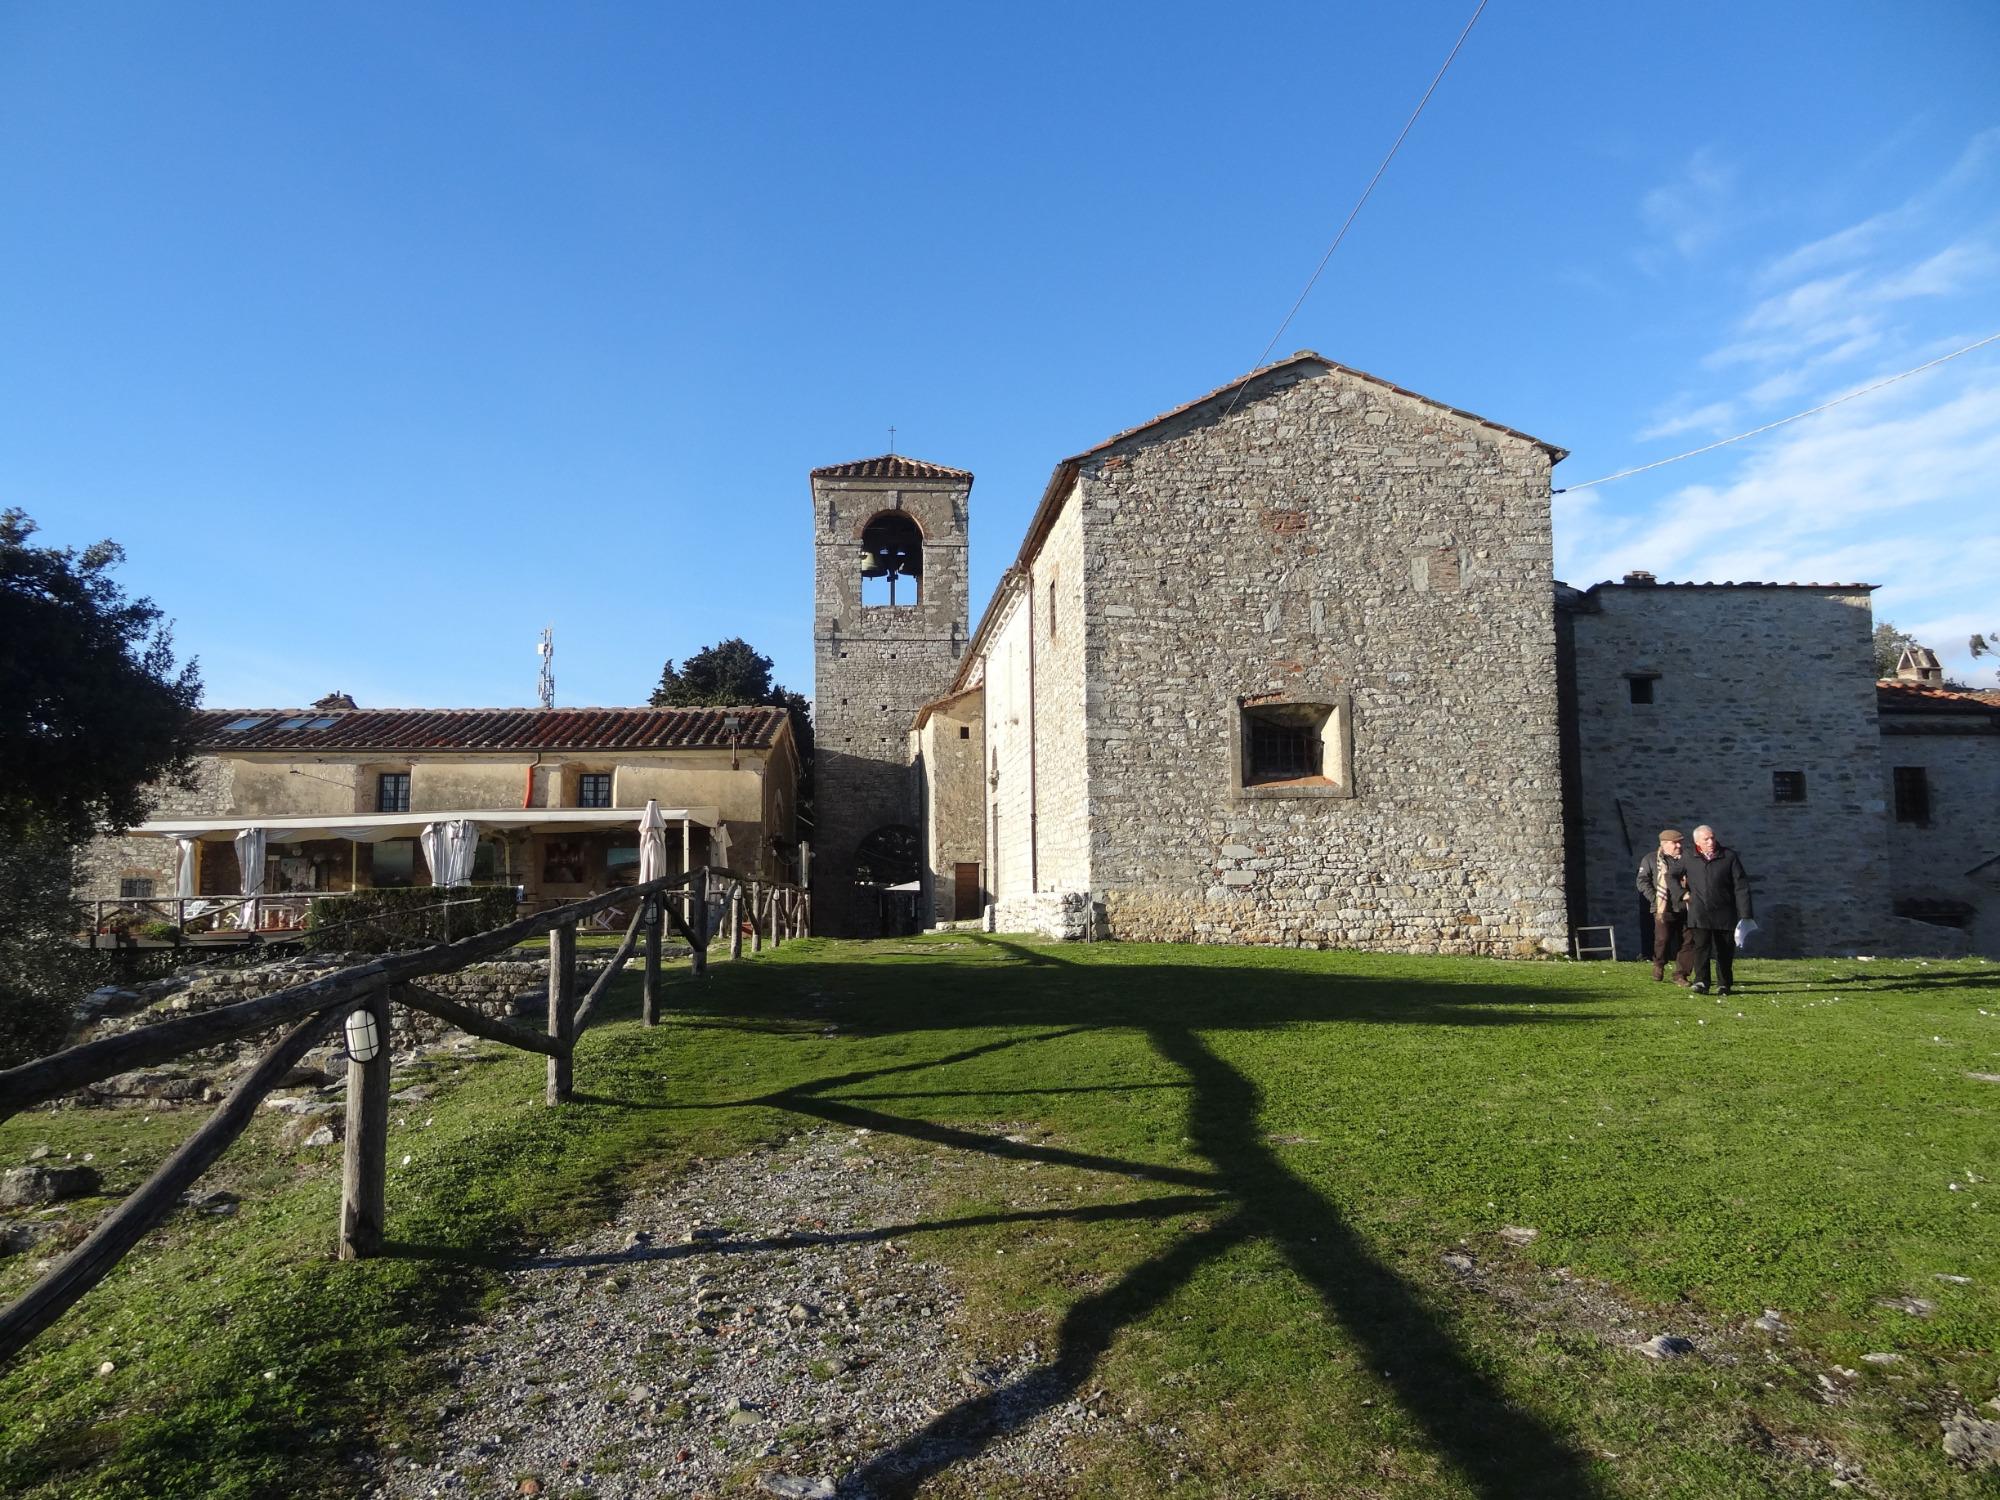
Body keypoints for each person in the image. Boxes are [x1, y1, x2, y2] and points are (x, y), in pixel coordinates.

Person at [1681, 824, 1753, 995]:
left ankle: (1724, 984)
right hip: (1699, 911)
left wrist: (1745, 914)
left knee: (1724, 950)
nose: (1711, 841)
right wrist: (1681, 894)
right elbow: (1671, 875)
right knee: (1701, 949)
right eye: (1706, 839)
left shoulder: (1729, 856)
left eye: (1712, 837)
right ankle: (1701, 982)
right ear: (1697, 841)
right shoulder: (1688, 857)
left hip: (1724, 911)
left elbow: (1741, 886)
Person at [1634, 829, 1692, 983]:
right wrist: (1654, 898)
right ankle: (1659, 964)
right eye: (1675, 842)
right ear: (1664, 844)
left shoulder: (1687, 858)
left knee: (1687, 941)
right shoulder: (1651, 859)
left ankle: (1681, 974)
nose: (1679, 845)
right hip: (1662, 907)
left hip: (1685, 906)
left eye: (1680, 842)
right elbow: (1642, 881)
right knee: (1663, 939)